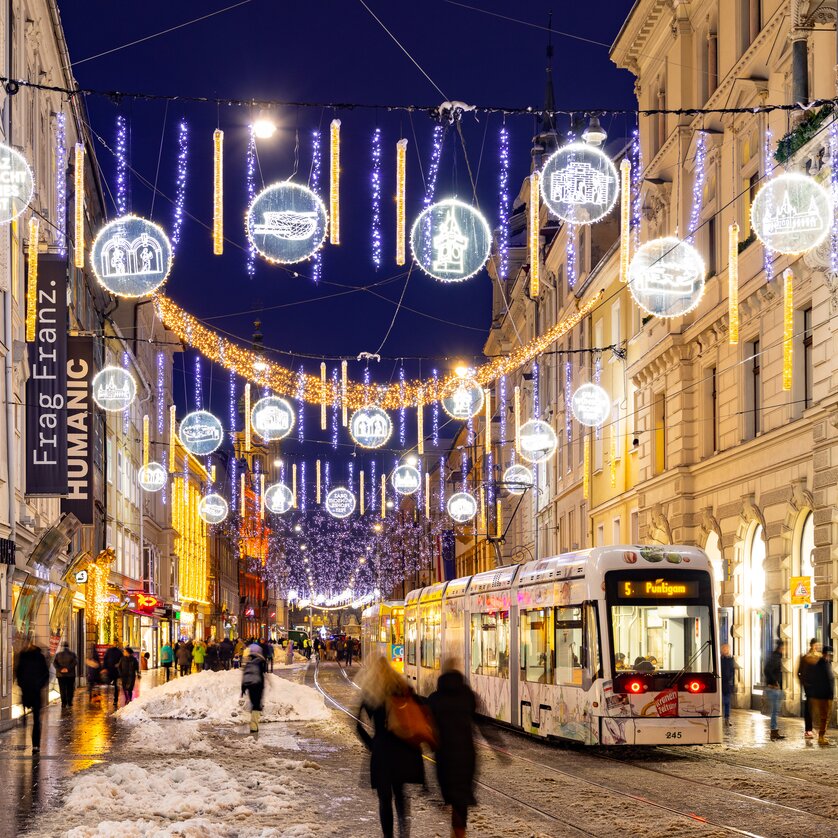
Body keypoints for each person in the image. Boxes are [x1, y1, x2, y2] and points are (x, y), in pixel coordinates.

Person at [356, 656, 424, 838]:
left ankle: (388, 836)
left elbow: (357, 725)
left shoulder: (371, 693)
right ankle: (404, 834)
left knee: (384, 799)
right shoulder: (402, 688)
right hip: (403, 749)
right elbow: (418, 712)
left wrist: (372, 744)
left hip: (382, 751)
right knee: (401, 794)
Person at [15, 641, 49, 752]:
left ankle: (22, 736)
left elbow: (18, 673)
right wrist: (39, 685)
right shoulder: (40, 657)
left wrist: (22, 685)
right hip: (36, 692)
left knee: (25, 713)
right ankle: (36, 745)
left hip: (26, 692)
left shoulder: (23, 657)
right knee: (36, 720)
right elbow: (46, 674)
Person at [807, 645, 835, 747]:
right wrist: (827, 694)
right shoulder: (821, 665)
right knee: (824, 717)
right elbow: (823, 681)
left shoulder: (826, 664)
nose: (830, 656)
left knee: (825, 717)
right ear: (825, 654)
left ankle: (821, 736)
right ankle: (821, 737)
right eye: (829, 654)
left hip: (825, 695)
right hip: (823, 695)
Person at [797, 638, 821, 740]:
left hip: (818, 686)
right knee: (809, 708)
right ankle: (808, 729)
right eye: (815, 645)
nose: (817, 647)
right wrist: (804, 684)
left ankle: (816, 728)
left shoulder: (820, 657)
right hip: (809, 687)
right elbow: (799, 672)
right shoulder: (805, 658)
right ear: (811, 645)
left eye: (818, 645)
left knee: (818, 708)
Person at [242, 643, 267, 732]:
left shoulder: (249, 663)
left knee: (254, 704)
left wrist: (243, 688)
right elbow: (262, 674)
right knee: (257, 705)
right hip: (258, 686)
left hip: (249, 686)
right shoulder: (261, 661)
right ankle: (254, 727)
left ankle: (254, 725)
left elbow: (245, 675)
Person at [764, 640, 786, 740]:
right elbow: (767, 670)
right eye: (784, 647)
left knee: (775, 711)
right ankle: (773, 731)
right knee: (775, 711)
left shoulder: (776, 657)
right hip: (773, 688)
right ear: (781, 648)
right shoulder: (775, 657)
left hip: (775, 687)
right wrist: (774, 682)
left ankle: (774, 731)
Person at [54, 641, 79, 709]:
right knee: (70, 688)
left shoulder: (58, 654)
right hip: (70, 675)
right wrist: (67, 669)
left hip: (60, 675)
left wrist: (60, 669)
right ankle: (69, 702)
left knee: (62, 689)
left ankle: (63, 703)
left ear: (62, 646)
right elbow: (75, 662)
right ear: (68, 646)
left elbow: (55, 663)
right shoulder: (72, 654)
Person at [720, 643, 737, 727]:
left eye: (726, 649)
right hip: (720, 683)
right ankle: (719, 718)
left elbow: (732, 672)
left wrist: (731, 682)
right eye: (723, 649)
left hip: (727, 684)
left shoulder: (731, 659)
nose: (725, 650)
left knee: (727, 702)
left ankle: (727, 719)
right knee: (720, 702)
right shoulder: (719, 659)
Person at [102, 641, 123, 708]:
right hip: (110, 671)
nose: (114, 644)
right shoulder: (109, 651)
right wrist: (104, 668)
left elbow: (122, 660)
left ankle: (115, 700)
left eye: (115, 643)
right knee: (108, 686)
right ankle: (107, 699)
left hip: (116, 672)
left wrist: (119, 665)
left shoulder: (119, 652)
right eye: (113, 643)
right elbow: (105, 660)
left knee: (116, 687)